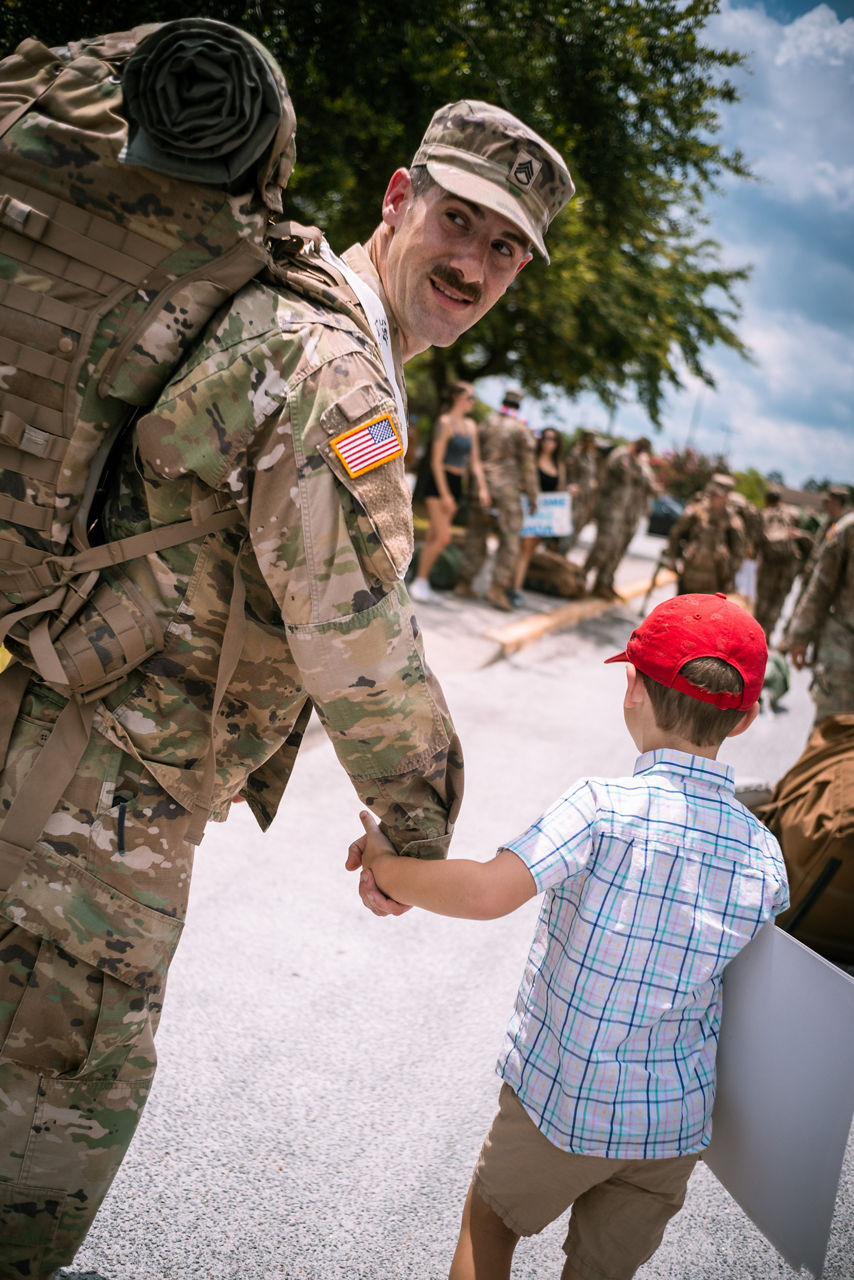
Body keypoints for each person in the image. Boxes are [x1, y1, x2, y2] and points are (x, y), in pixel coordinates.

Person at [0, 95, 574, 1275]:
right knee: (47, 1129)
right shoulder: (338, 369)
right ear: (398, 199)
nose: (472, 264)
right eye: (456, 221)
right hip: (95, 804)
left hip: (70, 755)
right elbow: (357, 634)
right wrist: (416, 830)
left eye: (504, 247)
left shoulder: (310, 314)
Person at [349, 592, 788, 1280]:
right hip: (669, 1131)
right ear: (747, 718)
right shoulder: (764, 853)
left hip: (566, 1102)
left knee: (489, 1226)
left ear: (632, 687)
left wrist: (389, 867)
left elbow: (488, 892)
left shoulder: (601, 807)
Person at [455, 388, 539, 611]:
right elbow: (528, 466)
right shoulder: (521, 430)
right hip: (506, 491)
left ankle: (464, 582)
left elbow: (472, 457)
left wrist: (470, 486)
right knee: (510, 539)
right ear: (519, 405)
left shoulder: (486, 423)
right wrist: (533, 496)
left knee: (476, 534)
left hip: (481, 487)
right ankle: (497, 589)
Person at [410, 381, 489, 605]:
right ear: (458, 398)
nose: (473, 402)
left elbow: (475, 461)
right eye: (470, 397)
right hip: (439, 482)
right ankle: (420, 580)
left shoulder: (471, 426)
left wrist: (483, 487)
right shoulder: (444, 422)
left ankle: (421, 580)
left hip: (456, 483)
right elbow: (435, 461)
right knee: (444, 537)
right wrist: (445, 494)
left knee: (435, 536)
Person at [781, 506, 854, 727]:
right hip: (844, 641)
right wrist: (801, 635)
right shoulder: (849, 529)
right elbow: (821, 586)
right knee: (832, 725)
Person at [584, 436, 657, 600]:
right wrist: (642, 465)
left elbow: (651, 487)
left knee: (615, 550)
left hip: (625, 514)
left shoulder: (637, 462)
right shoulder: (622, 455)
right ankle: (582, 576)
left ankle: (603, 583)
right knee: (603, 546)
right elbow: (627, 476)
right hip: (610, 510)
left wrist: (643, 466)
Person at [511, 427, 567, 602]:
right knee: (522, 550)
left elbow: (559, 490)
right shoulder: (532, 460)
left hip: (544, 516)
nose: (548, 442)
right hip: (527, 510)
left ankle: (515, 586)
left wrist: (569, 493)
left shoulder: (559, 466)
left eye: (553, 439)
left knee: (527, 552)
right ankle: (514, 587)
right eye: (545, 438)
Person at [665, 476, 746, 596]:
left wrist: (730, 578)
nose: (713, 497)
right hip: (690, 574)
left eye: (717, 495)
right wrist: (672, 559)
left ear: (726, 496)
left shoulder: (733, 521)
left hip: (716, 579)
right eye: (712, 493)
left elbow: (738, 552)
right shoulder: (696, 511)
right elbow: (676, 533)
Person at [753, 483, 812, 639]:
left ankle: (755, 634)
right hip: (788, 566)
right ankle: (768, 634)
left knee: (762, 601)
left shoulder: (764, 514)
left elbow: (757, 540)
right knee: (778, 601)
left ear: (767, 500)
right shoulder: (792, 513)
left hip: (768, 564)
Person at [563, 428, 600, 551]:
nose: (593, 444)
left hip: (584, 500)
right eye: (591, 441)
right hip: (573, 500)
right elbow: (566, 474)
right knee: (566, 530)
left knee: (576, 531)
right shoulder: (576, 454)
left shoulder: (591, 456)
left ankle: (563, 554)